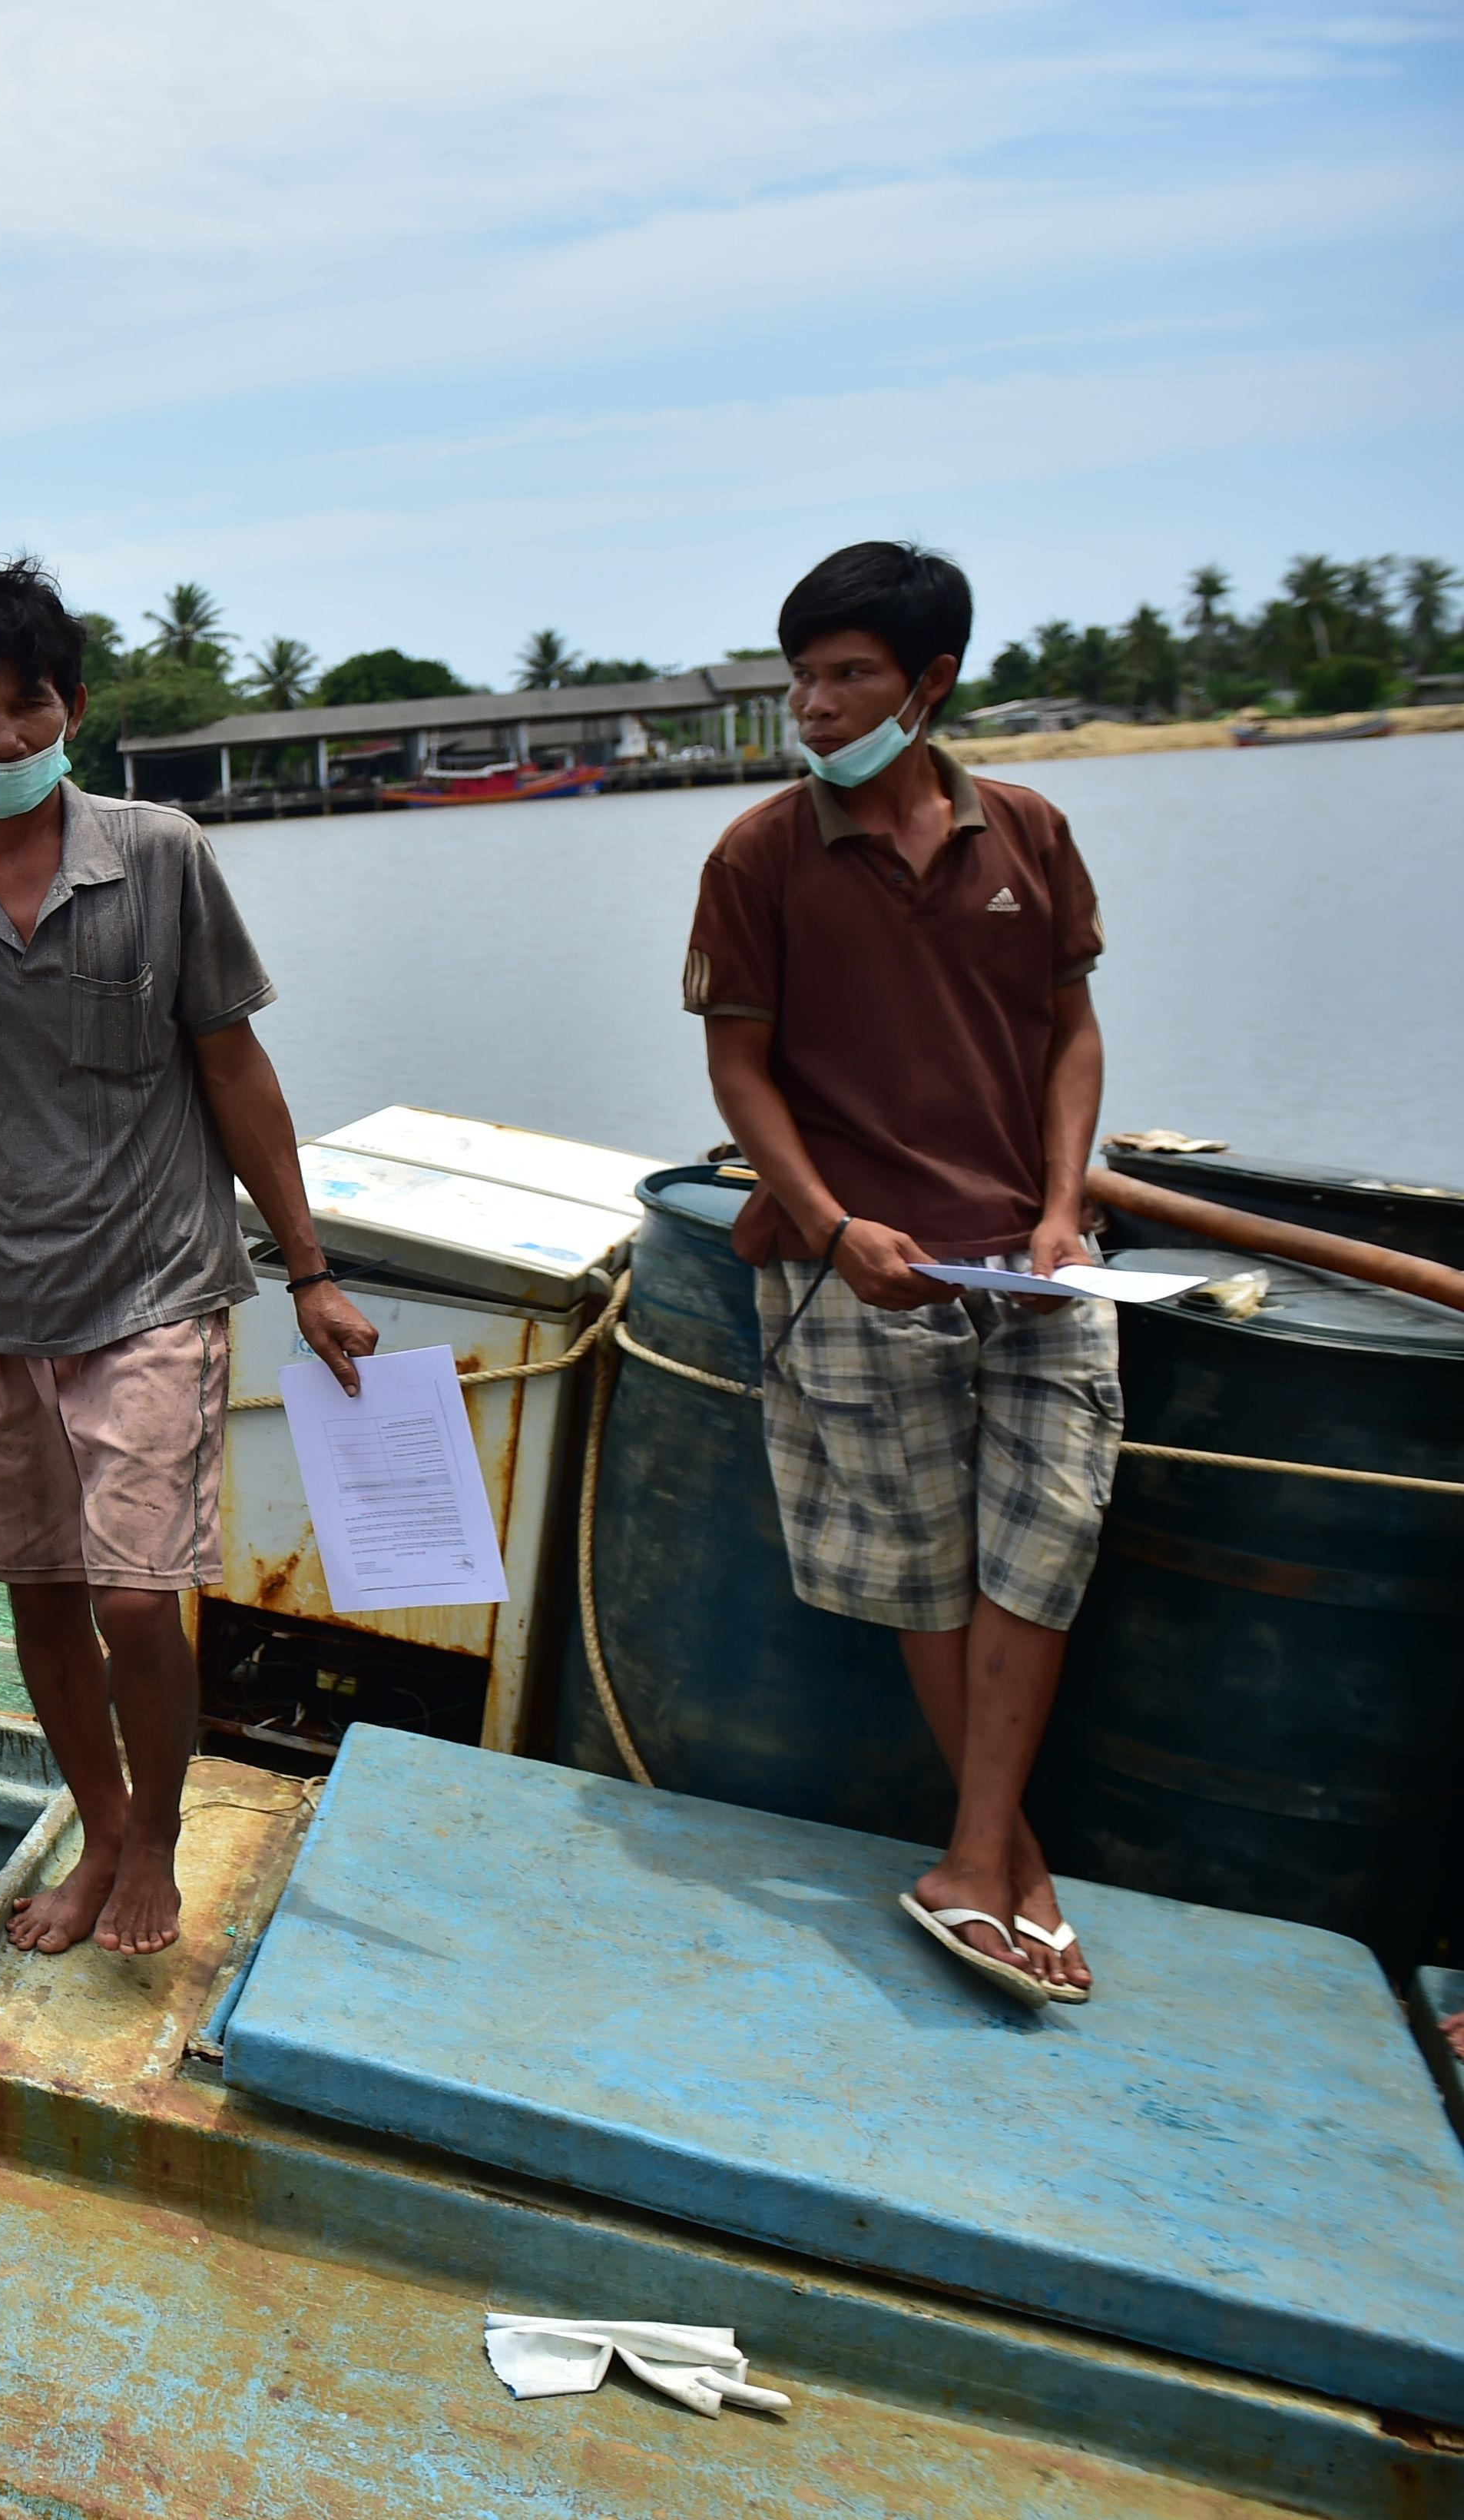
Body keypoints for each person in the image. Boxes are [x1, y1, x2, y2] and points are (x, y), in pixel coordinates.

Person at [0, 558, 376, 1958]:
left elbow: (238, 1068)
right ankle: (102, 1824)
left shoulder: (164, 855)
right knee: (46, 1601)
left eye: (29, 708)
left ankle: (156, 1839)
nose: (4, 740)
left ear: (74, 707)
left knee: (138, 1595)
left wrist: (309, 1271)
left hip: (156, 1285)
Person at [686, 539, 1111, 2004]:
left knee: (1043, 1554)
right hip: (862, 1272)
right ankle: (1006, 1869)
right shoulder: (759, 856)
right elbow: (739, 1074)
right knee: (930, 1577)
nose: (812, 702)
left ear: (930, 684)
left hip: (1040, 1270)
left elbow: (1070, 1032)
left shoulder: (1033, 834)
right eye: (801, 675)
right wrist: (831, 1224)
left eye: (847, 673)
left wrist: (1063, 1211)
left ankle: (982, 1855)